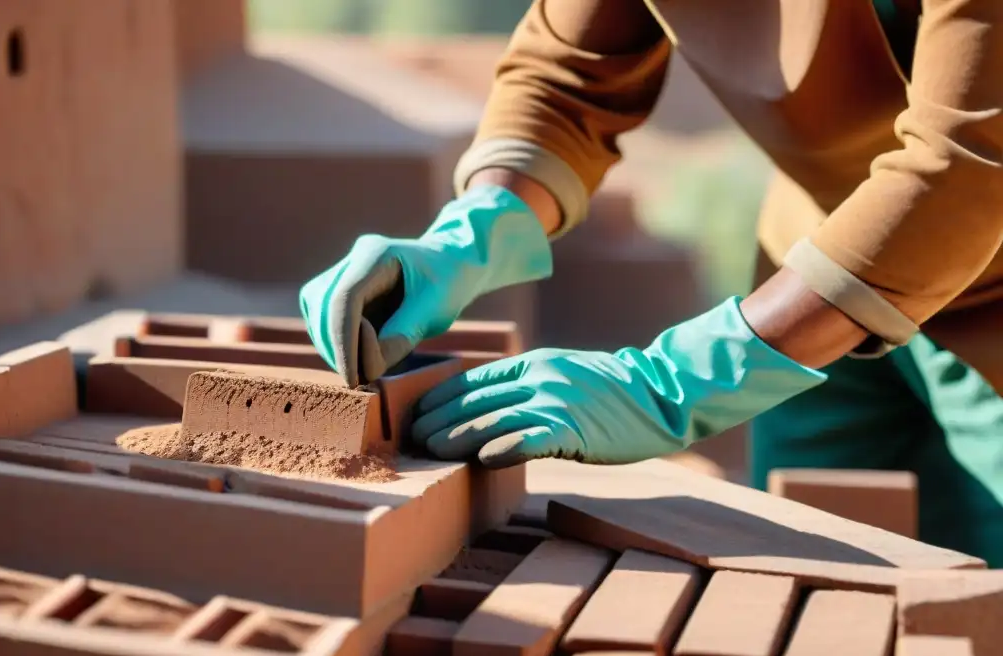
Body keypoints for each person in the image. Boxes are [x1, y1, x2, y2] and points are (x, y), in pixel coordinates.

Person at [300, 0, 1003, 564]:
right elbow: (570, 75)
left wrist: (671, 382)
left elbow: (969, 163)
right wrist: (475, 228)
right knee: (827, 593)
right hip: (818, 272)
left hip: (981, 282)